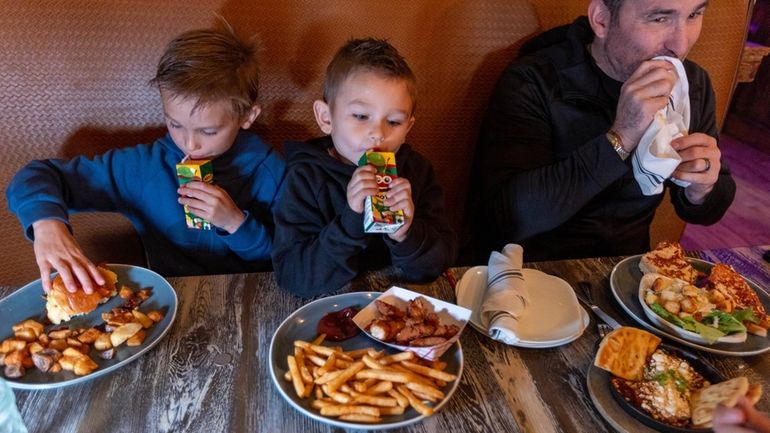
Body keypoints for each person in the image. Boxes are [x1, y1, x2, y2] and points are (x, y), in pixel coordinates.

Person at [6, 23, 285, 293]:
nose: (190, 142)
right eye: (175, 124)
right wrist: (46, 225)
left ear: (248, 116)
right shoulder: (144, 168)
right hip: (170, 302)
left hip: (256, 299)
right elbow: (36, 176)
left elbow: (288, 259)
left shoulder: (273, 170)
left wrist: (236, 224)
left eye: (208, 131)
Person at [469, 0, 736, 262]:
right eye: (659, 18)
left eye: (693, 15)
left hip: (624, 271)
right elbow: (507, 218)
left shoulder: (691, 84)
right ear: (602, 20)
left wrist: (702, 188)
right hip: (526, 272)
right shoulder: (534, 80)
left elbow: (708, 209)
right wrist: (621, 136)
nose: (680, 44)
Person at [271, 38, 457, 298]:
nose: (378, 134)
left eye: (393, 121)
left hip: (399, 310)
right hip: (329, 308)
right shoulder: (306, 177)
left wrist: (407, 233)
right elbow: (294, 278)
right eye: (360, 116)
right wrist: (350, 221)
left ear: (408, 129)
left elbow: (437, 266)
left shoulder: (416, 173)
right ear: (326, 118)